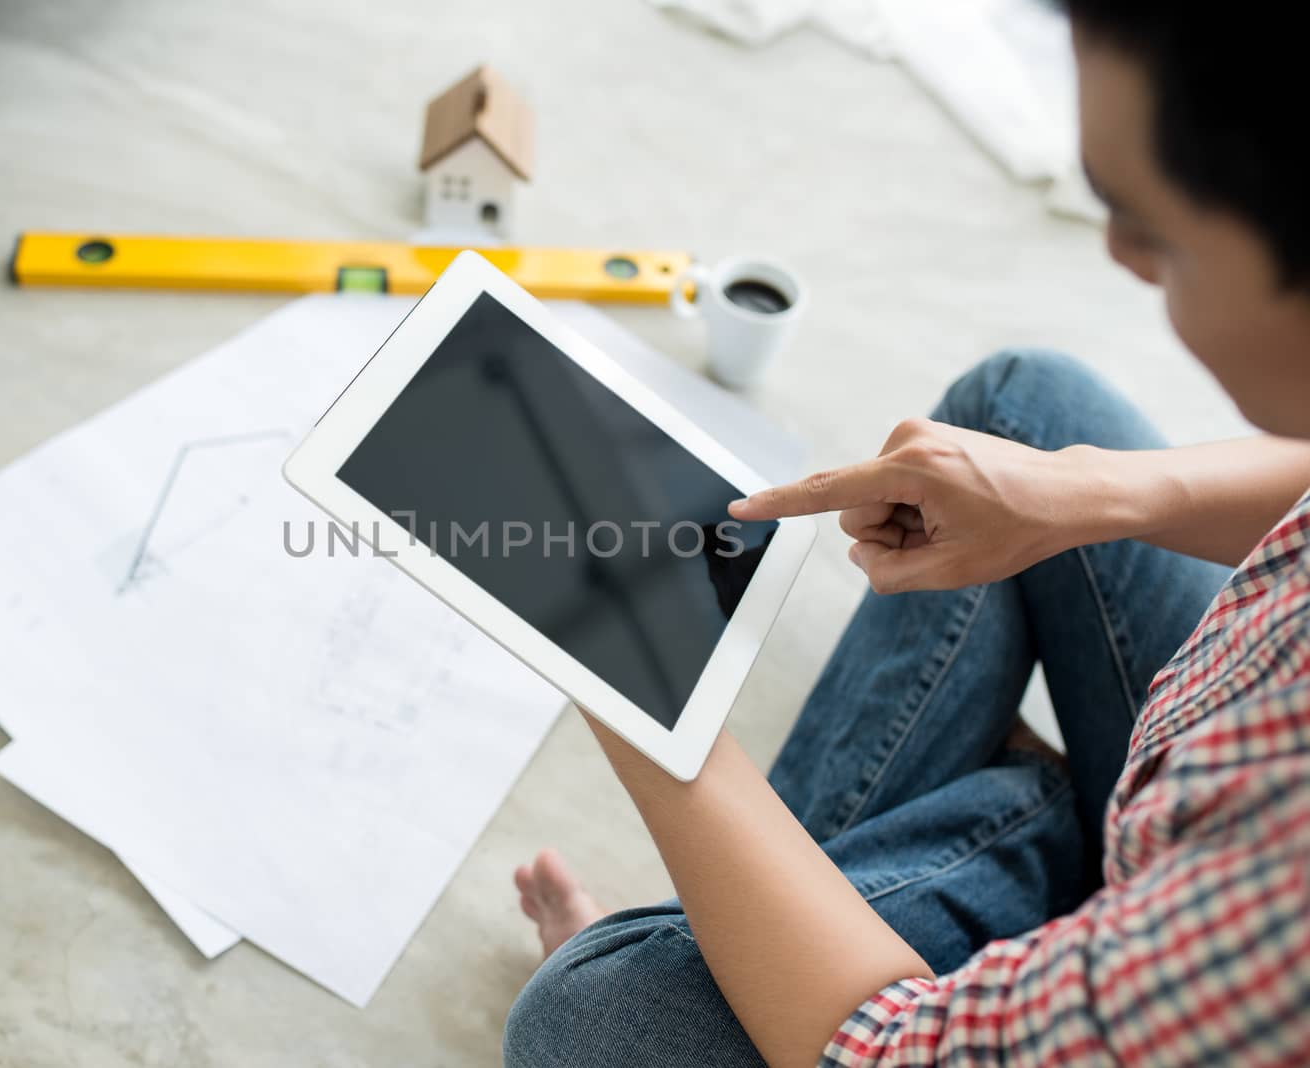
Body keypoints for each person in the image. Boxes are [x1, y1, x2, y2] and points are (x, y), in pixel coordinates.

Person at [504, 4, 1310, 1065]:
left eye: (1151, 228)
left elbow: (893, 1059)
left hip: (1230, 933)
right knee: (1023, 407)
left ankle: (993, 861)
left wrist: (640, 692)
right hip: (1213, 773)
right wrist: (1092, 491)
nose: (1114, 251)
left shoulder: (1281, 907)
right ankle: (983, 872)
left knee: (593, 1022)